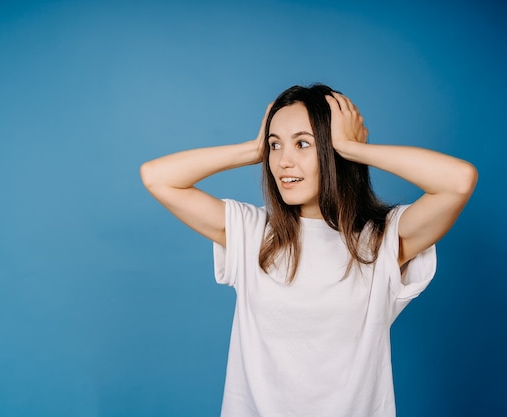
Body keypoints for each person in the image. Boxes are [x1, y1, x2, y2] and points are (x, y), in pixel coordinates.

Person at [139, 84, 477, 417]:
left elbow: (458, 181)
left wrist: (353, 149)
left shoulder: (381, 240)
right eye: (275, 145)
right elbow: (157, 176)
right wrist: (252, 149)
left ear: (334, 153)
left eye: (302, 143)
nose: (283, 161)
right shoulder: (251, 233)